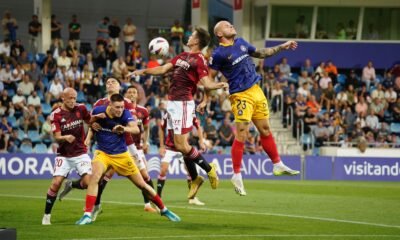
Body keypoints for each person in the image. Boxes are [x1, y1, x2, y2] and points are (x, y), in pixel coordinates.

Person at [131, 27, 227, 199]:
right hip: (173, 104)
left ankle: (209, 169)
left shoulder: (199, 60)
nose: (189, 37)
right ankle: (196, 178)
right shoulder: (182, 56)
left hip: (183, 103)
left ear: (197, 41)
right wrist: (143, 71)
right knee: (180, 146)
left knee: (183, 146)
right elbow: (162, 70)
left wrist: (219, 85)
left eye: (193, 36)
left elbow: (206, 83)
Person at [210, 21, 300, 196]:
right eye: (227, 26)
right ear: (219, 34)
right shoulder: (218, 54)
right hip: (240, 95)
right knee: (242, 133)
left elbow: (261, 53)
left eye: (230, 24)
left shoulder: (242, 43)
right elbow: (207, 78)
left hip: (256, 90)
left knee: (265, 129)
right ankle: (236, 174)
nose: (231, 26)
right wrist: (212, 92)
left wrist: (283, 46)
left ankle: (277, 164)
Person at [75, 93, 180, 225]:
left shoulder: (125, 114)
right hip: (103, 153)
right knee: (95, 177)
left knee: (142, 185)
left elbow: (136, 129)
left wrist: (123, 128)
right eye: (117, 107)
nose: (120, 110)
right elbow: (89, 122)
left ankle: (164, 209)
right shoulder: (98, 111)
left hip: (122, 155)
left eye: (122, 107)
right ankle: (87, 215)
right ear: (110, 105)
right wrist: (92, 127)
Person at [58, 77, 157, 217]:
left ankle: (150, 204)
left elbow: (133, 125)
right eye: (108, 82)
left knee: (144, 175)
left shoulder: (125, 102)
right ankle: (95, 206)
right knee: (99, 178)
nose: (110, 83)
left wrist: (141, 141)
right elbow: (91, 122)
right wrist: (89, 136)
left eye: (113, 82)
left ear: (119, 86)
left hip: (128, 145)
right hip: (106, 145)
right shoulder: (99, 103)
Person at [42, 88, 92, 225]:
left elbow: (90, 121)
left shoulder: (81, 108)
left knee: (89, 183)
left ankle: (72, 184)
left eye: (75, 98)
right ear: (63, 98)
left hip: (81, 152)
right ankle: (46, 215)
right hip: (64, 155)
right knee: (56, 183)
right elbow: (57, 137)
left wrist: (99, 120)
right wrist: (65, 137)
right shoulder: (56, 115)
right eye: (70, 98)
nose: (73, 101)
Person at [158, 111, 206, 206]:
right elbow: (161, 129)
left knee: (190, 172)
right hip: (169, 147)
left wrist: (201, 141)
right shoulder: (168, 114)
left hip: (183, 147)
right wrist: (161, 146)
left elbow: (198, 127)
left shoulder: (189, 113)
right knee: (163, 170)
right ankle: (158, 198)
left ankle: (192, 198)